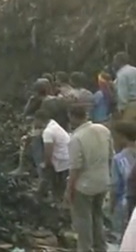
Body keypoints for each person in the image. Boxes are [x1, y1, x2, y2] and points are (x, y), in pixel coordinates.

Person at [66, 105, 113, 252]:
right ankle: (101, 247)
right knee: (97, 217)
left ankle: (85, 249)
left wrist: (69, 191)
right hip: (103, 181)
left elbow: (75, 168)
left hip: (84, 186)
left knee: (83, 221)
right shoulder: (103, 130)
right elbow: (111, 156)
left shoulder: (76, 138)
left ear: (72, 117)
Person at [109, 121, 136, 241]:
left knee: (125, 237)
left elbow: (116, 187)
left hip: (125, 203)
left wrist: (111, 206)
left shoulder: (118, 159)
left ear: (122, 137)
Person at [34, 109, 70, 199]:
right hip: (68, 156)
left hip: (61, 159)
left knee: (46, 172)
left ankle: (46, 195)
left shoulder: (48, 132)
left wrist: (46, 164)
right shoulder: (54, 124)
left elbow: (48, 151)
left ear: (39, 119)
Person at [113, 52, 136, 121]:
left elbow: (122, 93)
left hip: (131, 105)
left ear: (118, 61)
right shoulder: (134, 70)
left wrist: (121, 109)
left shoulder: (122, 74)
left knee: (129, 129)